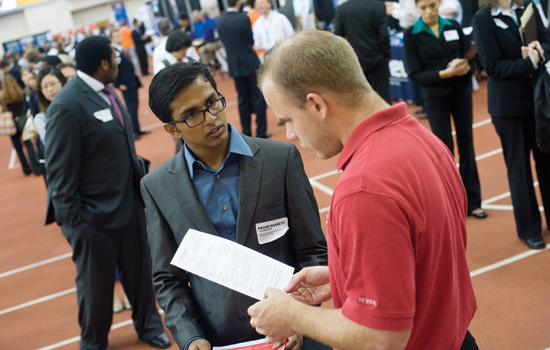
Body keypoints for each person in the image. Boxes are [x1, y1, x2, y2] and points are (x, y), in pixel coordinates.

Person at [246, 29, 478, 350]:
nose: (290, 134)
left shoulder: (363, 188)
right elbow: (423, 255)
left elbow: (381, 338)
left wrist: (293, 315)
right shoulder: (425, 140)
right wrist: (343, 274)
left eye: (288, 119)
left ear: (316, 105)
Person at [143, 61, 329, 350]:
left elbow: (312, 250)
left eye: (212, 103)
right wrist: (190, 336)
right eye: (191, 115)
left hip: (298, 335)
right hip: (219, 340)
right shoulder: (157, 187)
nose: (210, 119)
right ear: (172, 129)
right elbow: (169, 279)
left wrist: (299, 317)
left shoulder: (280, 159)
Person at [44, 36, 171, 350]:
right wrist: (76, 225)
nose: (119, 65)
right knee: (95, 286)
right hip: (91, 218)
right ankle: (93, 339)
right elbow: (60, 175)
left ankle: (148, 326)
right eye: (115, 60)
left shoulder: (107, 92)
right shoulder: (66, 104)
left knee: (140, 274)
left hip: (128, 205)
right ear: (103, 64)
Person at [473, 0, 550, 249]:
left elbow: (547, 40)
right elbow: (492, 66)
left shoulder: (526, 7)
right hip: (508, 108)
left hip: (539, 101)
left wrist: (539, 51)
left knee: (547, 161)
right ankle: (529, 229)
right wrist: (528, 63)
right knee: (519, 168)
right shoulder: (483, 19)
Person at [404, 0, 487, 219]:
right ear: (417, 9)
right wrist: (445, 74)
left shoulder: (452, 25)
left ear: (439, 3)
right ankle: (451, 202)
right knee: (444, 149)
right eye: (424, 8)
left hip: (460, 92)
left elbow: (468, 53)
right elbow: (416, 75)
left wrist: (468, 65)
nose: (429, 11)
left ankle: (473, 200)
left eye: (432, 5)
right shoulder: (411, 35)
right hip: (434, 97)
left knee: (466, 142)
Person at [216, 0, 270, 139]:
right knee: (258, 97)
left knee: (242, 100)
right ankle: (261, 133)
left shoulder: (220, 21)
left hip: (235, 65)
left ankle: (246, 134)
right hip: (250, 62)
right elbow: (250, 41)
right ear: (238, 2)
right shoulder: (243, 18)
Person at [334, 0, 392, 103]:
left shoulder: (342, 8)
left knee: (361, 95)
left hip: (355, 58)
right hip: (377, 56)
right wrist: (386, 53)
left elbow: (338, 36)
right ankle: (388, 118)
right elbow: (383, 34)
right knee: (383, 94)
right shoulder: (378, 6)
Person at [110, 28, 150, 140]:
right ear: (112, 39)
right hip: (125, 84)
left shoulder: (120, 48)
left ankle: (137, 129)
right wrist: (118, 84)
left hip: (131, 81)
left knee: (135, 106)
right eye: (116, 36)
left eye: (119, 35)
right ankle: (132, 132)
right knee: (131, 108)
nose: (119, 38)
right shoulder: (114, 52)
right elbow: (113, 69)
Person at [0, 74, 41, 176]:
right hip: (23, 121)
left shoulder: (3, 97)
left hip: (11, 123)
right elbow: (25, 107)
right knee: (28, 144)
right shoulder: (21, 92)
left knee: (18, 147)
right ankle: (36, 168)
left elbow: (3, 110)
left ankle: (26, 169)